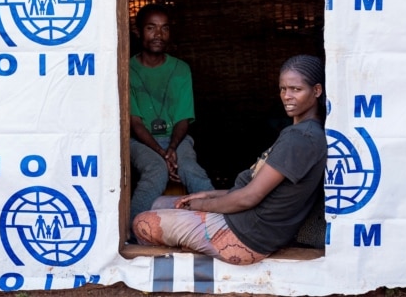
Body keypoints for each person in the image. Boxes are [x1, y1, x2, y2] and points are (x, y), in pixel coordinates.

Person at [132, 54, 327, 265]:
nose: (286, 96)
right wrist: (208, 194)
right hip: (249, 222)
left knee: (142, 222)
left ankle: (172, 283)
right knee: (158, 202)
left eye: (296, 89)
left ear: (316, 91)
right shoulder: (303, 132)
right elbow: (262, 192)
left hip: (245, 235)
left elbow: (248, 198)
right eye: (282, 89)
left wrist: (200, 205)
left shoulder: (300, 138)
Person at [129, 3, 214, 228]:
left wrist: (173, 148)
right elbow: (135, 123)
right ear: (137, 31)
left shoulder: (180, 69)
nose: (159, 34)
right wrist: (162, 154)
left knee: (190, 169)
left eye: (164, 28)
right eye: (151, 28)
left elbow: (182, 119)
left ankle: (220, 222)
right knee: (156, 170)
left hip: (176, 140)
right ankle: (130, 230)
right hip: (140, 141)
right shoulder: (126, 70)